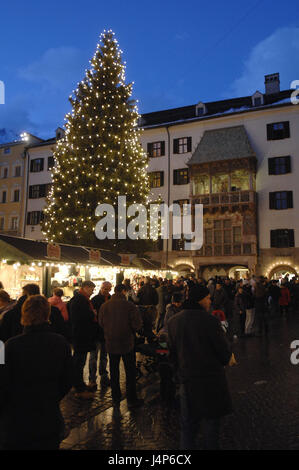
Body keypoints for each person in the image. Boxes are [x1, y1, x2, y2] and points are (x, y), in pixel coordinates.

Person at [0, 295, 73, 450]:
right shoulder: (60, 343)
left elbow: (3, 383)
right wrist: (52, 395)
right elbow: (67, 379)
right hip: (48, 416)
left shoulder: (10, 346)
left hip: (17, 420)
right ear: (47, 315)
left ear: (24, 314)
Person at [167, 285, 232, 450]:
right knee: (211, 426)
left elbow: (170, 353)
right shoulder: (210, 321)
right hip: (210, 381)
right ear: (201, 299)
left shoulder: (173, 321)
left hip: (187, 380)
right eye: (208, 298)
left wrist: (178, 373)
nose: (210, 301)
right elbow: (224, 354)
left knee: (188, 428)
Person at [99, 284, 143, 408]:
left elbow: (101, 322)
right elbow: (137, 325)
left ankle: (115, 397)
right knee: (130, 371)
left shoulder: (105, 306)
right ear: (124, 291)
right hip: (127, 343)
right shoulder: (130, 306)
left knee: (114, 370)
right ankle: (131, 398)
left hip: (111, 343)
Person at [70, 280, 100, 399]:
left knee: (79, 360)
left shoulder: (80, 299)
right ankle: (78, 387)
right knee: (79, 361)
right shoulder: (80, 300)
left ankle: (78, 384)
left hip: (80, 335)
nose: (93, 292)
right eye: (92, 289)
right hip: (81, 335)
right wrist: (92, 313)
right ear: (86, 288)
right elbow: (82, 317)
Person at [89, 281, 112, 389]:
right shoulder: (94, 300)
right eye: (104, 288)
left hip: (106, 333)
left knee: (104, 356)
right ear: (101, 288)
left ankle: (104, 377)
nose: (106, 291)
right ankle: (92, 379)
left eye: (108, 289)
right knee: (93, 357)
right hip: (96, 332)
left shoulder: (111, 299)